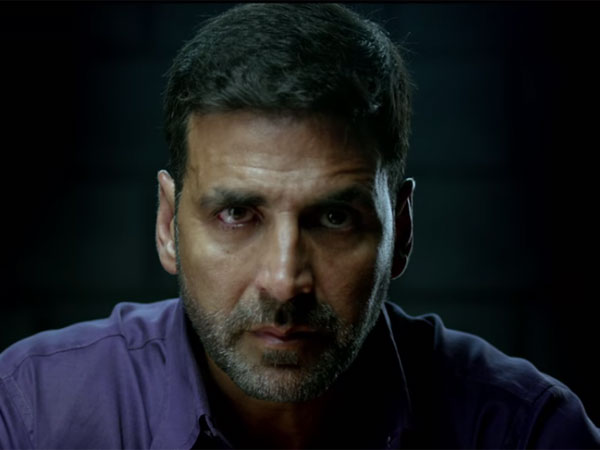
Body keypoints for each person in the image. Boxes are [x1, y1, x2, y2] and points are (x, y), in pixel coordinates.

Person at [0, 3, 598, 449]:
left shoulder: (527, 432)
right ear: (167, 224)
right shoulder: (31, 415)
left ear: (401, 231)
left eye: (335, 218)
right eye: (237, 214)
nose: (285, 282)